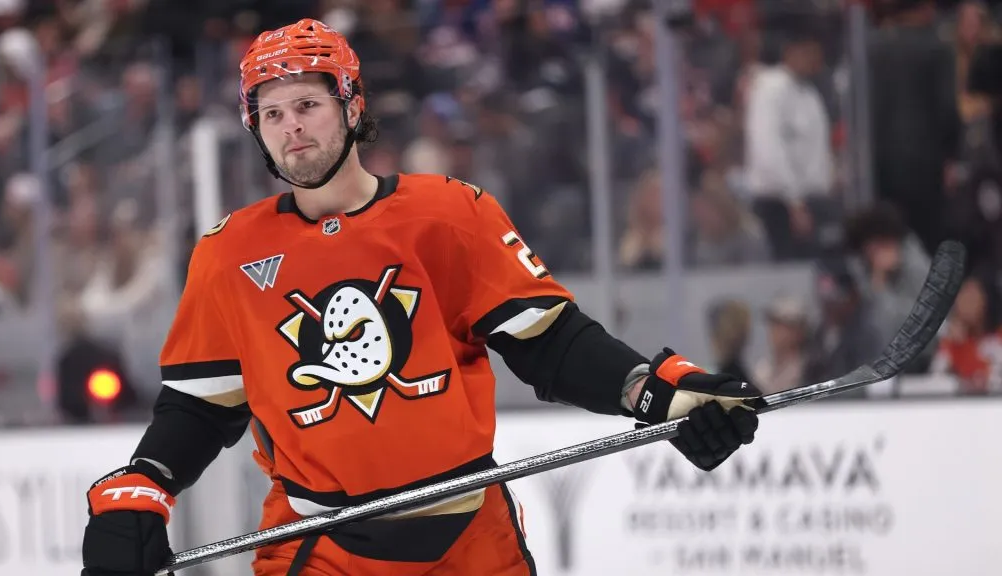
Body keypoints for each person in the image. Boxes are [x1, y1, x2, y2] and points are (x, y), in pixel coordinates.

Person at [80, 19, 761, 576]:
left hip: (471, 540)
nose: (293, 128)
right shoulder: (229, 253)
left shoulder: (447, 213)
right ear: (254, 127)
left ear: (351, 107)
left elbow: (551, 342)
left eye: (310, 105)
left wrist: (658, 394)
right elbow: (202, 404)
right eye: (273, 113)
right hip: (321, 548)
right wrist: (144, 483)